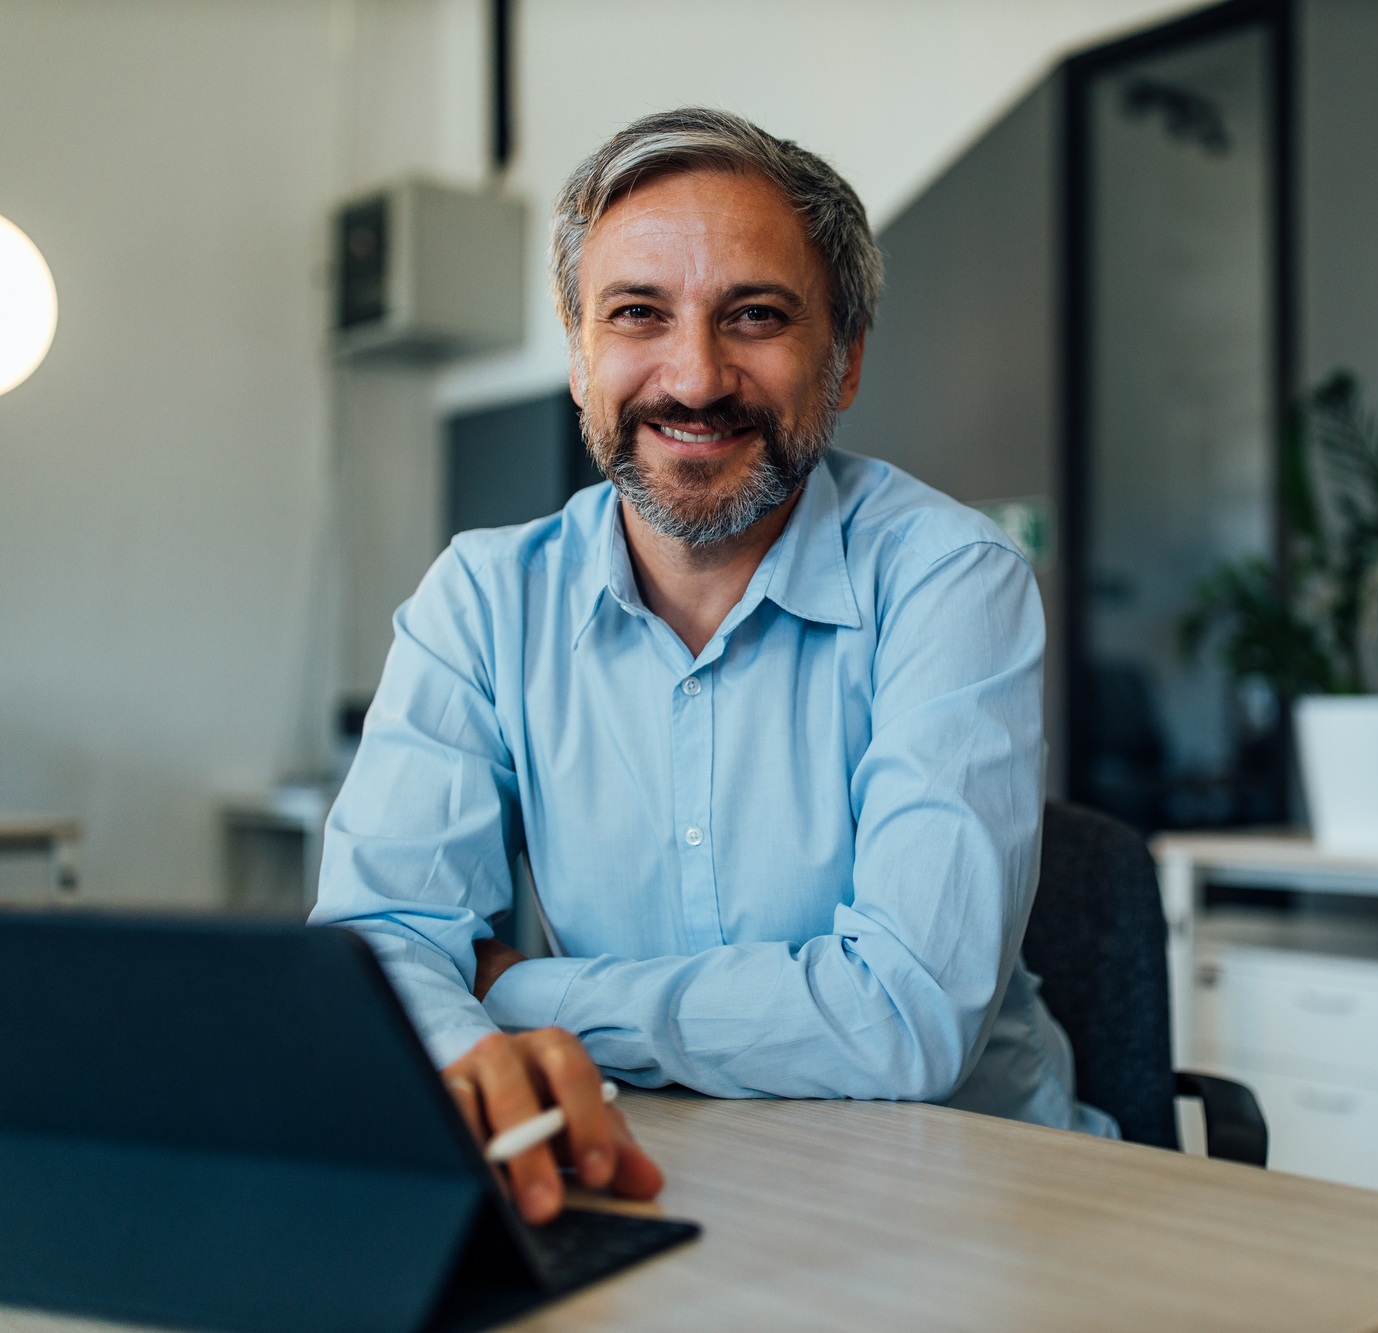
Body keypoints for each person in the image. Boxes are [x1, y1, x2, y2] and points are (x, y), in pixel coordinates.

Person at [310, 108, 1111, 1225]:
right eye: (637, 313)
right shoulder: (482, 599)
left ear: (846, 360)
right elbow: (382, 940)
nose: (693, 376)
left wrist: (517, 994)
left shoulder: (947, 576)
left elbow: (905, 1019)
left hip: (964, 1207)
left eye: (755, 316)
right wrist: (466, 1052)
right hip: (654, 1181)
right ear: (581, 351)